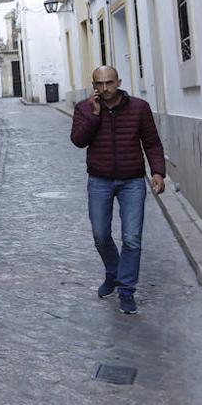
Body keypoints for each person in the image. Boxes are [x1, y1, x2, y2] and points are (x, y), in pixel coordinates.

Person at [69, 66, 166, 315]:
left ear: (119, 82)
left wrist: (157, 172)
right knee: (100, 235)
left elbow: (152, 142)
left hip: (132, 181)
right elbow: (78, 141)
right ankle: (113, 272)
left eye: (109, 83)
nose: (104, 89)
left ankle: (126, 290)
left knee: (132, 238)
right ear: (93, 85)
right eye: (99, 84)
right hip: (99, 181)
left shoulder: (139, 108)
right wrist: (94, 114)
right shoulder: (83, 108)